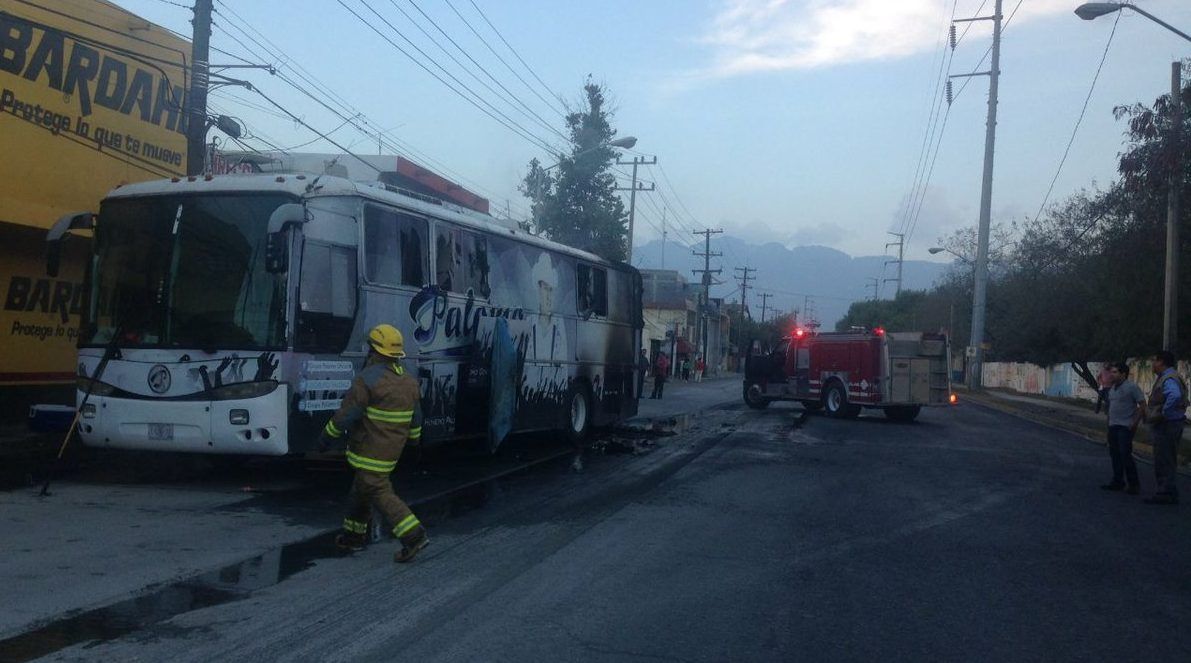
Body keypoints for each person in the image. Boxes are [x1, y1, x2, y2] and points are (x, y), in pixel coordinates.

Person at [321, 324, 429, 562]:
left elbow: (347, 415)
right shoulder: (409, 382)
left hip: (369, 449)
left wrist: (327, 437)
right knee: (361, 489)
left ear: (374, 350)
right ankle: (353, 535)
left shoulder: (367, 379)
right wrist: (414, 443)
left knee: (379, 491)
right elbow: (416, 419)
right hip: (392, 451)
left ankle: (414, 536)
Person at [1144, 351, 1187, 505]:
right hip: (1172, 423)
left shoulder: (1168, 378)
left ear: (1161, 362)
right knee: (1168, 458)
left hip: (1167, 425)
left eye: (1154, 361)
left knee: (1163, 459)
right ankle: (1170, 490)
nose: (1152, 365)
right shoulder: (1171, 376)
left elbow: (1174, 395)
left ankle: (1165, 492)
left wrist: (1164, 412)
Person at [1100, 362, 1145, 495]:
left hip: (1125, 426)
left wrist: (1134, 422)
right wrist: (1108, 424)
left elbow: (1142, 405)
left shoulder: (1132, 387)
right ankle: (1118, 481)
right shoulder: (1112, 389)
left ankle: (1134, 485)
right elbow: (1111, 408)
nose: (1111, 375)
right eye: (1111, 372)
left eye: (1115, 372)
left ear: (1123, 374)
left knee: (1125, 454)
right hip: (1113, 426)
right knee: (1114, 454)